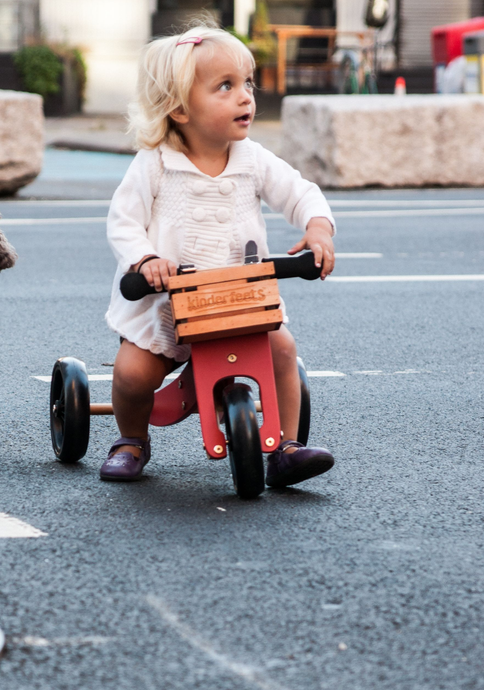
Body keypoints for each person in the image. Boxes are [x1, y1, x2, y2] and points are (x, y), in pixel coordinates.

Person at [101, 25, 336, 488]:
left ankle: (285, 446)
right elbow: (122, 221)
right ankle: (131, 440)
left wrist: (317, 226)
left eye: (247, 83)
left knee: (282, 350)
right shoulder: (155, 163)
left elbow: (300, 193)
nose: (245, 96)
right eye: (225, 87)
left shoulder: (253, 158)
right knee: (132, 375)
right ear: (179, 108)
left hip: (240, 305)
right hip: (165, 309)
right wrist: (145, 261)